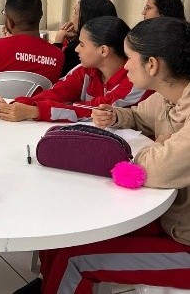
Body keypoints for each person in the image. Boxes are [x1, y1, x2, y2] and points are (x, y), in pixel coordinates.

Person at [16, 17, 190, 294]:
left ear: (152, 65)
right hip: (170, 219)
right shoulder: (170, 97)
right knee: (68, 231)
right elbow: (138, 116)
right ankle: (49, 284)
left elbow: (155, 169)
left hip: (183, 240)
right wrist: (116, 116)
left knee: (76, 260)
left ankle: (57, 282)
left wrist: (158, 148)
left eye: (130, 58)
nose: (126, 65)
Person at [0, 16, 150, 122]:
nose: (76, 49)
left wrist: (35, 111)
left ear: (103, 51)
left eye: (82, 44)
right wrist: (19, 104)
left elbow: (95, 110)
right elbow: (56, 93)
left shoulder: (135, 81)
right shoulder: (85, 69)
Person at [53, 0, 116, 77]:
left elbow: (55, 74)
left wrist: (58, 40)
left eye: (75, 13)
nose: (72, 19)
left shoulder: (75, 51)